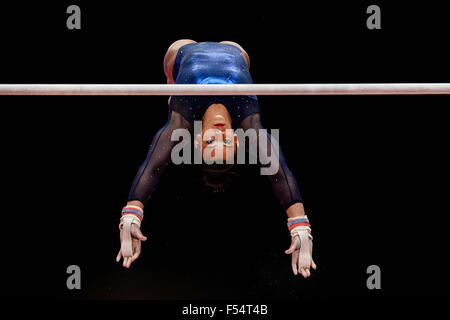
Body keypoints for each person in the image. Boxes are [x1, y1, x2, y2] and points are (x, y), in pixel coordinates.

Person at [116, 40, 316, 278]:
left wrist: (131, 217)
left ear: (198, 140)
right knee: (240, 53)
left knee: (174, 53)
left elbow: (153, 167)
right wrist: (300, 228)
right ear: (238, 140)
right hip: (235, 50)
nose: (220, 133)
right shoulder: (248, 119)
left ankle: (172, 84)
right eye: (227, 141)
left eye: (211, 141)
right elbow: (278, 172)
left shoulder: (182, 116)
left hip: (181, 54)